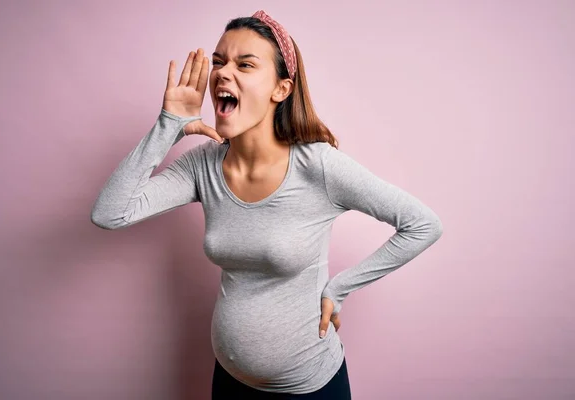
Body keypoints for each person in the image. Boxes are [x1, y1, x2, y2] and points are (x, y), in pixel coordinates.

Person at [91, 10, 443, 399]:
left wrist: (339, 288)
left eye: (245, 65)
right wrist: (168, 125)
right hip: (229, 381)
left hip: (310, 388)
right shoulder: (202, 165)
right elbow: (110, 212)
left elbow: (422, 224)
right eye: (220, 62)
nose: (223, 73)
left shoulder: (318, 166)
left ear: (281, 89)